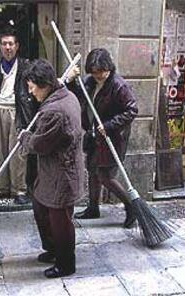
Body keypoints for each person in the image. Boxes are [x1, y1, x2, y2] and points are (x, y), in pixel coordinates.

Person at [18, 59, 84, 278]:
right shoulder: (64, 95)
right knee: (40, 208)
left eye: (32, 87)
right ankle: (53, 249)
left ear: (45, 84)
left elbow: (40, 144)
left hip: (61, 173)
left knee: (60, 219)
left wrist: (25, 137)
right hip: (53, 170)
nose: (30, 92)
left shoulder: (55, 111)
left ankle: (66, 263)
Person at [70, 48, 138, 228]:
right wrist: (71, 80)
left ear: (108, 67)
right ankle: (93, 208)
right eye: (94, 72)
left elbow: (131, 110)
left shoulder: (118, 85)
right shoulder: (90, 82)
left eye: (101, 72)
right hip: (94, 134)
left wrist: (109, 125)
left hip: (112, 137)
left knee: (105, 175)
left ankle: (131, 206)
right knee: (92, 170)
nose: (98, 76)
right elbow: (76, 95)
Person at [0, 28, 38, 205]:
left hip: (18, 111)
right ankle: (2, 189)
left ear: (17, 46)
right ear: (0, 46)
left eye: (11, 43)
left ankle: (19, 190)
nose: (7, 47)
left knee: (17, 153)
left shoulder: (25, 65)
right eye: (4, 44)